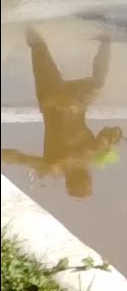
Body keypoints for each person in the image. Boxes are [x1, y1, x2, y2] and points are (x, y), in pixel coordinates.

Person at [1, 28, 120, 199]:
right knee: (37, 44)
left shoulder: (78, 156)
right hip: (61, 98)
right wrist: (113, 135)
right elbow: (19, 159)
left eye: (86, 180)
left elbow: (19, 158)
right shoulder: (58, 164)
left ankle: (106, 38)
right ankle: (105, 39)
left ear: (84, 177)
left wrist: (112, 136)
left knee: (38, 45)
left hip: (55, 98)